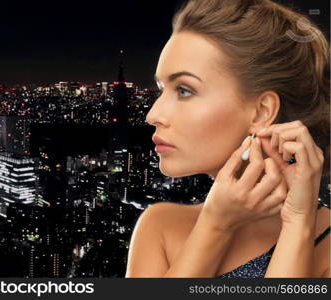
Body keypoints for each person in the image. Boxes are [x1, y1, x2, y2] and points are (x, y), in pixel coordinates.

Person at [125, 0, 330, 278]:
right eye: (162, 89)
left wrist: (298, 224)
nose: (153, 114)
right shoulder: (160, 227)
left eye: (184, 90)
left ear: (262, 111)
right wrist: (215, 225)